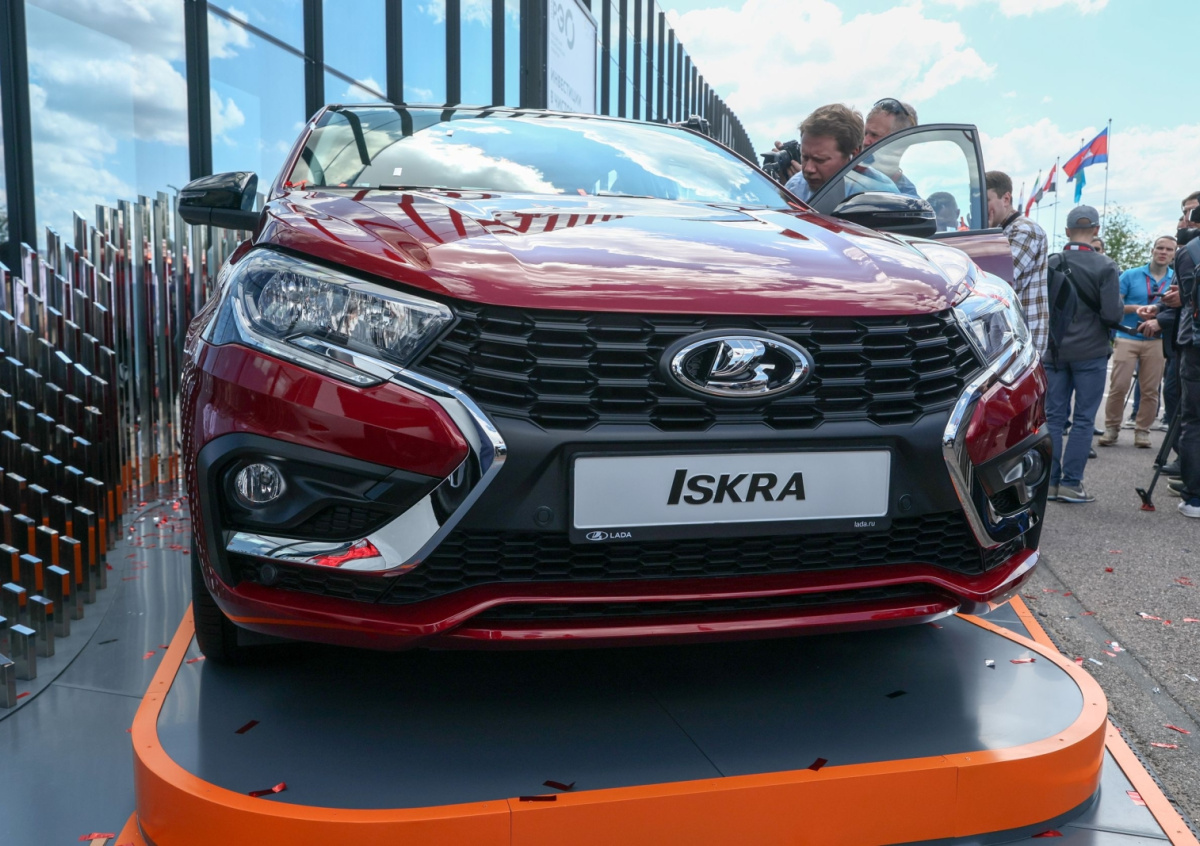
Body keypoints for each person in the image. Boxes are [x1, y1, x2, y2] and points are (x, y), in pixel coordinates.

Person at [1044, 205, 1123, 503]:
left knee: (1053, 418)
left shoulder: (1051, 262)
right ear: (1096, 230)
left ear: (1067, 231)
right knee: (1083, 419)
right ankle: (1071, 483)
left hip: (1054, 351)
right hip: (1091, 351)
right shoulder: (1106, 265)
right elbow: (1112, 314)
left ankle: (1049, 483)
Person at [1097, 236, 1175, 448]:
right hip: (1128, 336)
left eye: (1169, 250)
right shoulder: (1131, 275)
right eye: (1160, 248)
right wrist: (1136, 309)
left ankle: (1142, 431)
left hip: (1157, 340)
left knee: (1150, 389)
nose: (1163, 252)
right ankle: (1112, 428)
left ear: (1174, 255)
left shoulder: (1175, 279)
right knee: (1119, 386)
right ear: (1152, 250)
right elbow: (1114, 305)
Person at [986, 171, 1049, 356]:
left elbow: (999, 279)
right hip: (1008, 333)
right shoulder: (1002, 231)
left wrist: (981, 231)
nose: (981, 206)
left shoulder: (1024, 230)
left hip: (1022, 335)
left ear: (1006, 199)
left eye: (986, 200)